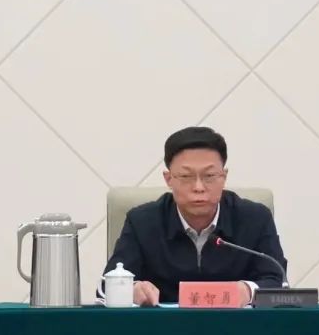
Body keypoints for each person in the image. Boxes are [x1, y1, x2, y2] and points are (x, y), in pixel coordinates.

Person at [103, 126, 286, 307]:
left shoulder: (255, 219)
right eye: (186, 176)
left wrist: (247, 291)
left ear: (224, 177)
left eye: (209, 176)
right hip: (163, 324)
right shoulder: (142, 222)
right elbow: (106, 286)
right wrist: (132, 289)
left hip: (236, 324)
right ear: (168, 179)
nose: (198, 187)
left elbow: (278, 282)